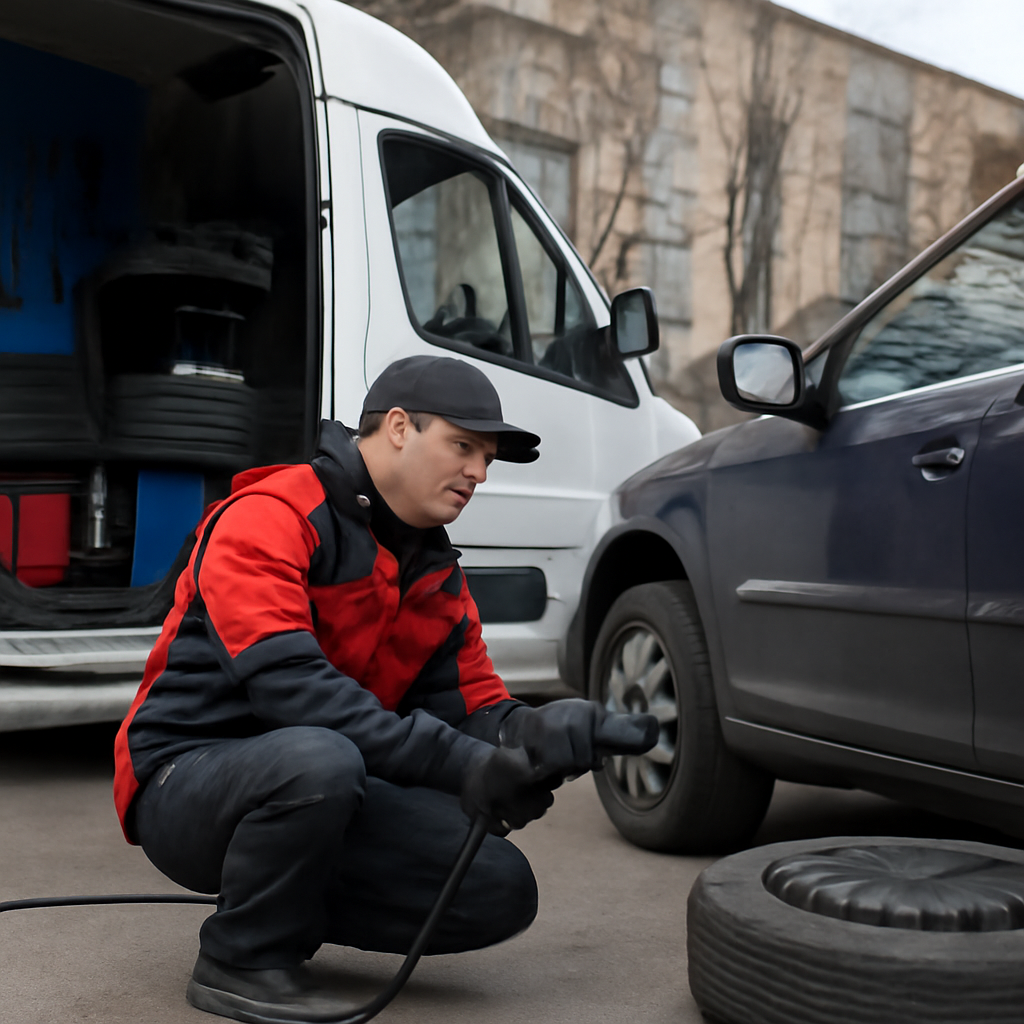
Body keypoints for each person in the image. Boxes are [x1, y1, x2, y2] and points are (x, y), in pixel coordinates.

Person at [113, 354, 655, 1023]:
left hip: (320, 776)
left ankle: (283, 901)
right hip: (183, 783)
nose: (479, 474)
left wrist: (536, 734)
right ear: (398, 427)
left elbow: (473, 707)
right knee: (318, 755)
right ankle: (241, 958)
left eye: (487, 458)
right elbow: (294, 692)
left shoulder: (434, 569)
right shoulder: (270, 516)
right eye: (463, 446)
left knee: (494, 886)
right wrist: (465, 763)